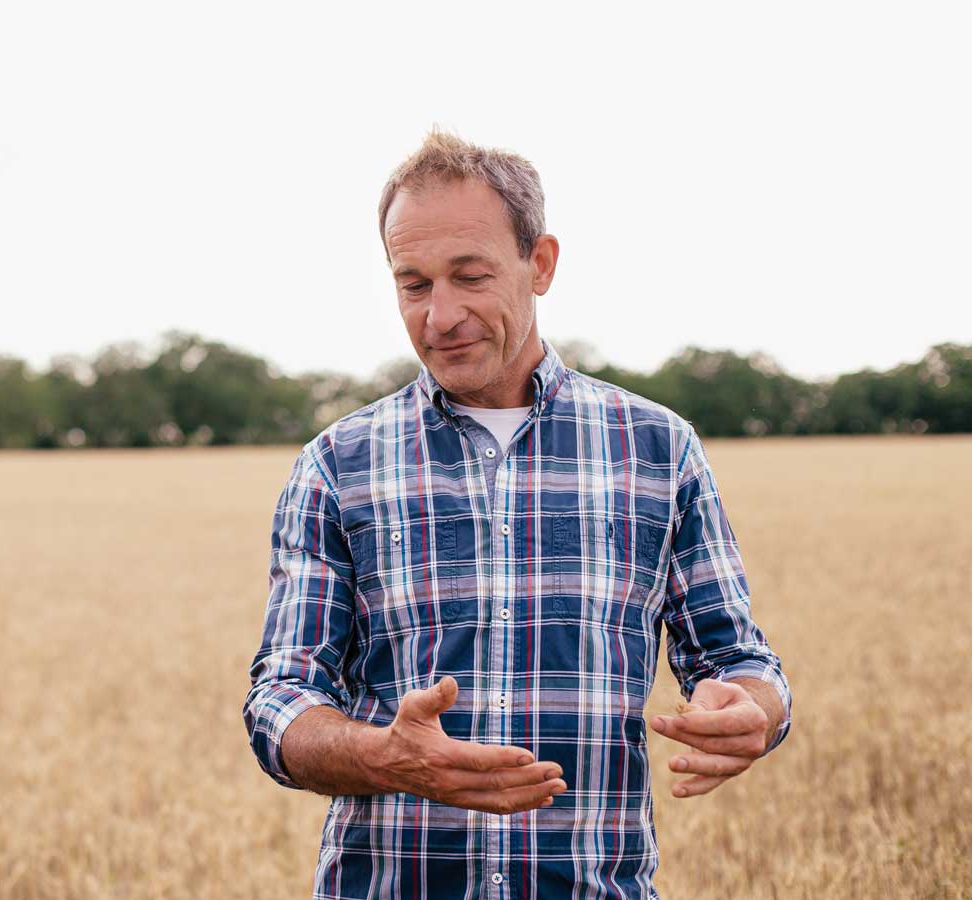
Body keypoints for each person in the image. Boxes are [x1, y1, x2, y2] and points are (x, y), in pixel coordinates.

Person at [243, 129, 791, 897]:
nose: (440, 315)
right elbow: (280, 697)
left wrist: (754, 712)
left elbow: (737, 660)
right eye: (413, 283)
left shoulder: (658, 450)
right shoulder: (338, 464)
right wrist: (387, 758)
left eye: (470, 276)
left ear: (541, 264)